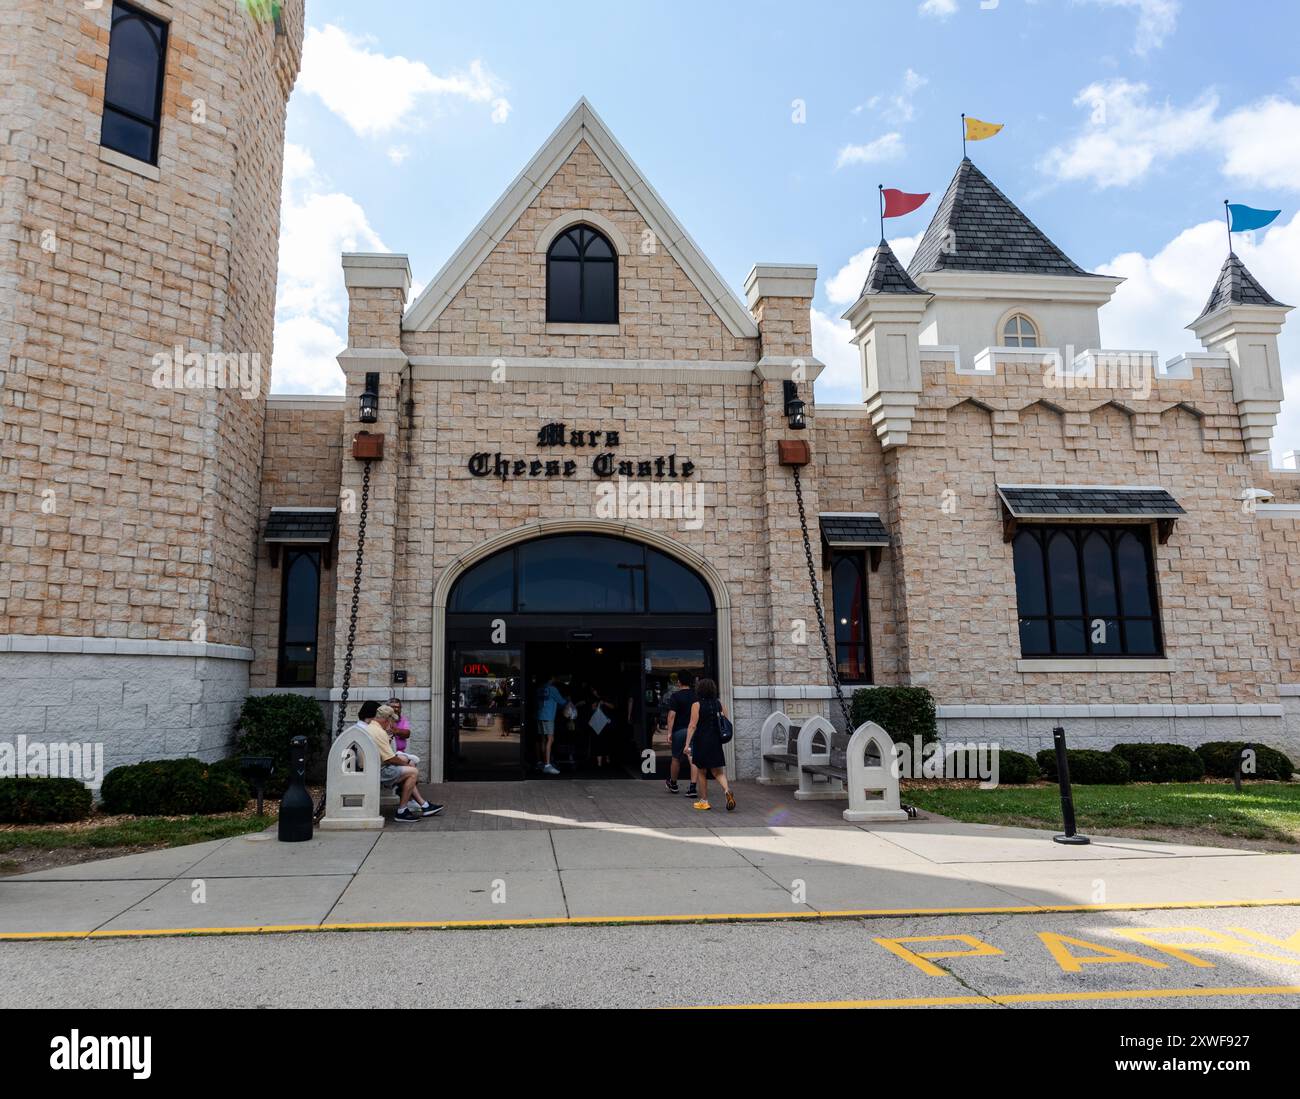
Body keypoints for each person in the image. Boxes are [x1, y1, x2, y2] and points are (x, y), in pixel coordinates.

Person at [359, 702, 441, 822]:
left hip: (371, 766)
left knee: (408, 766)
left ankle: (421, 805)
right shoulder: (379, 732)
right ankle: (402, 810)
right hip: (377, 771)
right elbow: (390, 758)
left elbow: (388, 755)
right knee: (413, 771)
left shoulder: (372, 727)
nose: (392, 724)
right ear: (387, 720)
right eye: (392, 720)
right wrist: (406, 765)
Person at [684, 677, 735, 812]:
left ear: (699, 689)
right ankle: (727, 790)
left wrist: (687, 744)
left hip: (701, 741)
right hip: (716, 742)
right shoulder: (719, 704)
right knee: (717, 771)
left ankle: (704, 801)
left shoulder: (696, 705)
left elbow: (692, 725)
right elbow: (725, 721)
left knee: (701, 771)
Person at [664, 673, 698, 798]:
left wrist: (669, 732)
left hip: (679, 731)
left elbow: (672, 715)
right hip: (693, 730)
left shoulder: (675, 696)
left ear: (679, 682)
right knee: (693, 758)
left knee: (675, 758)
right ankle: (693, 787)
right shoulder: (696, 696)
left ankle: (673, 784)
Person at [535, 676, 568, 776]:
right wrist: (568, 701)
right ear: (551, 679)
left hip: (540, 715)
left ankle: (542, 762)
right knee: (551, 739)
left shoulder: (540, 689)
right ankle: (548, 765)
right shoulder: (552, 689)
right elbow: (561, 701)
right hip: (548, 716)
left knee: (543, 739)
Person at [387, 697, 418, 765]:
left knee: (413, 763)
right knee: (411, 766)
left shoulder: (403, 720)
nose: (396, 709)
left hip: (402, 753)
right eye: (393, 707)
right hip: (388, 754)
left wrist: (396, 731)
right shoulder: (384, 720)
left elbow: (407, 733)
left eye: (398, 707)